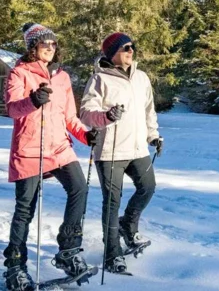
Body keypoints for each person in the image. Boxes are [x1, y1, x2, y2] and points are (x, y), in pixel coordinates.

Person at [2, 23, 99, 290]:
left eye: (53, 44)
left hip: (59, 148)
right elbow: (12, 109)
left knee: (79, 188)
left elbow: (69, 117)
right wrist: (33, 100)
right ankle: (15, 267)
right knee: (25, 209)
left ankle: (68, 250)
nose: (50, 48)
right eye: (44, 44)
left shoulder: (62, 77)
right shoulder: (19, 73)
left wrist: (85, 135)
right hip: (30, 149)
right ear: (32, 47)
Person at [80, 32, 163, 274]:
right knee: (112, 202)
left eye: (132, 47)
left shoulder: (142, 77)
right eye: (125, 48)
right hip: (110, 151)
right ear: (112, 53)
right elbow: (86, 112)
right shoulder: (99, 79)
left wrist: (153, 136)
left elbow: (149, 110)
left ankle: (128, 225)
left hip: (137, 147)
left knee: (147, 187)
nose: (131, 51)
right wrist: (106, 116)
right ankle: (112, 253)